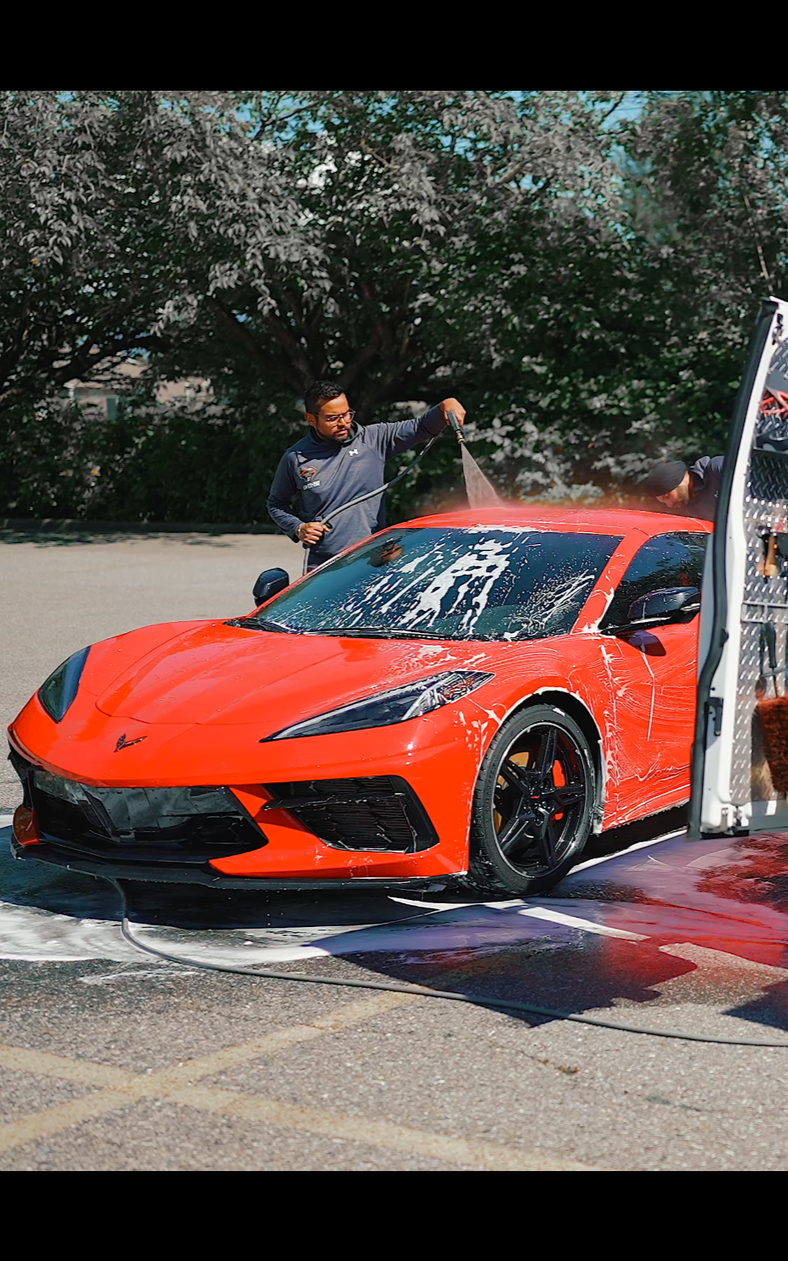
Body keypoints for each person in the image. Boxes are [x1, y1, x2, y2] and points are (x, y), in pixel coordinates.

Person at [267, 380, 465, 567]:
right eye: (332, 418)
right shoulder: (296, 458)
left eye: (347, 414)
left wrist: (446, 405)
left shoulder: (374, 439)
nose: (343, 422)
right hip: (326, 566)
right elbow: (277, 504)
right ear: (311, 419)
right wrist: (299, 528)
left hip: (376, 560)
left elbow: (421, 427)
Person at [643, 456, 724, 522]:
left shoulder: (715, 469)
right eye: (664, 503)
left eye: (667, 496)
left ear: (678, 481)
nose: (670, 505)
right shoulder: (690, 511)